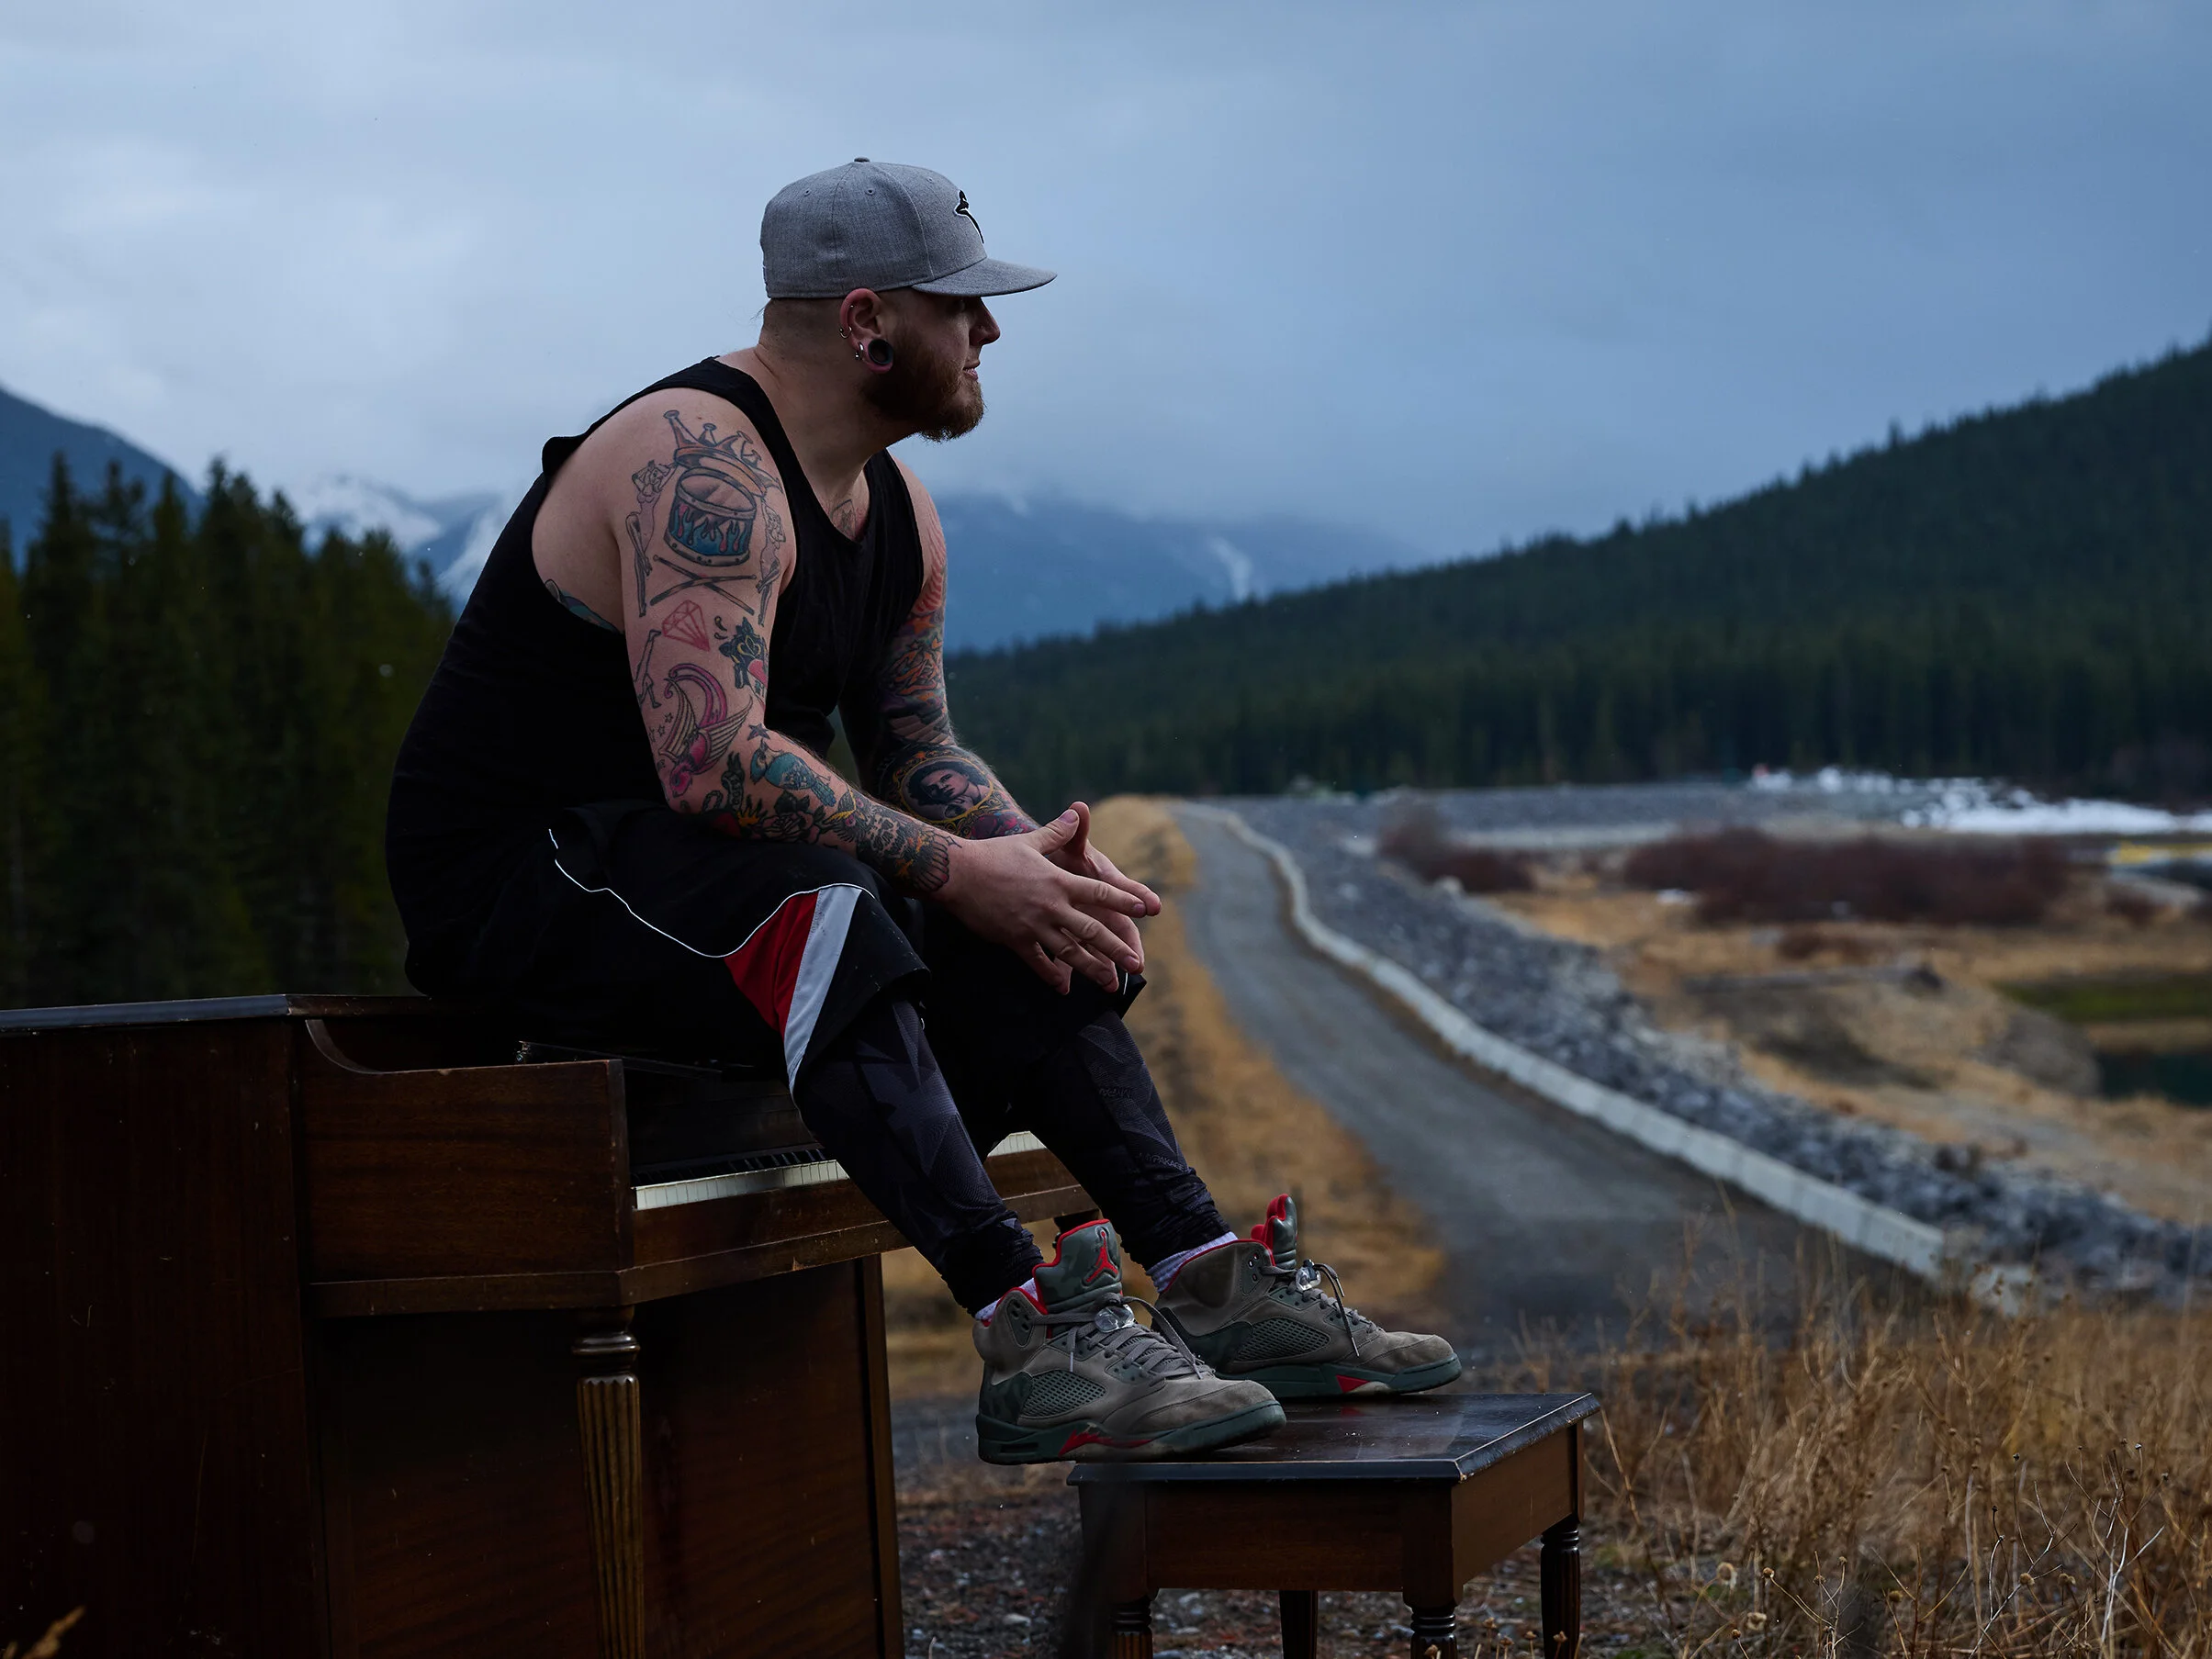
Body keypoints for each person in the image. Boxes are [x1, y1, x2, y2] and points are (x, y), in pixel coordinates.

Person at [386, 160, 1459, 1463]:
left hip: (696, 869)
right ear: (866, 322)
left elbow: (915, 746)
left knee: (1004, 916)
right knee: (829, 902)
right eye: (963, 306)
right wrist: (961, 870)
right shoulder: (699, 463)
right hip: (523, 873)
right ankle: (1033, 1333)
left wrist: (1034, 866)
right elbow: (713, 761)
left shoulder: (899, 507)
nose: (990, 333)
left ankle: (1215, 1281)